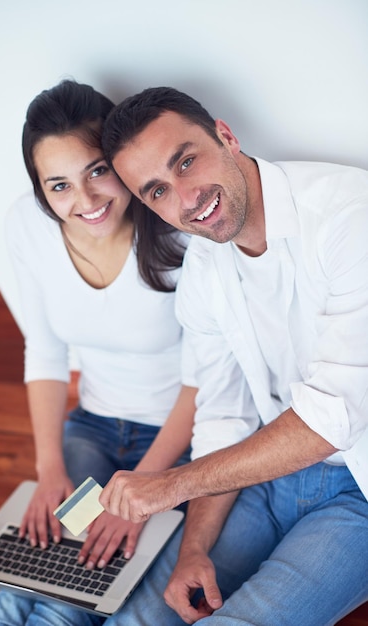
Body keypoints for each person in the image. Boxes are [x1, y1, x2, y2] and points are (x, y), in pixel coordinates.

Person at [95, 86, 368, 625]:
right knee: (138, 617)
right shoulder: (203, 268)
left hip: (359, 490)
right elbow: (223, 413)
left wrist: (169, 485)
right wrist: (193, 547)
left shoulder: (348, 217)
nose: (187, 199)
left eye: (187, 162)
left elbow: (335, 418)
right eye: (158, 191)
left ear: (226, 135)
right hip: (265, 473)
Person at [0, 81, 197, 626]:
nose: (85, 201)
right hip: (94, 430)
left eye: (97, 170)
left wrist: (148, 491)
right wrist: (47, 468)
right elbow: (47, 351)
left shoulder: (178, 234)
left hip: (174, 444)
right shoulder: (26, 226)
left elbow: (207, 379)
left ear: (121, 161)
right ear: (40, 191)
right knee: (26, 577)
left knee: (66, 600)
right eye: (58, 186)